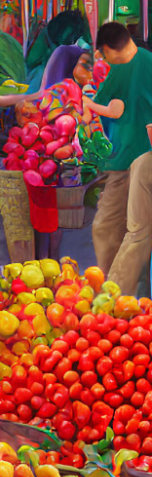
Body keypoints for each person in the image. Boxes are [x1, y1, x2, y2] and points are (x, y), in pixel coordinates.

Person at [79, 22, 152, 295]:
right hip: (128, 160)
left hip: (136, 161)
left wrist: (87, 108)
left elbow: (111, 110)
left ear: (108, 50)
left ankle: (117, 298)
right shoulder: (133, 65)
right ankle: (124, 297)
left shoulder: (134, 67)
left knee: (128, 230)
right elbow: (110, 107)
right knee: (118, 228)